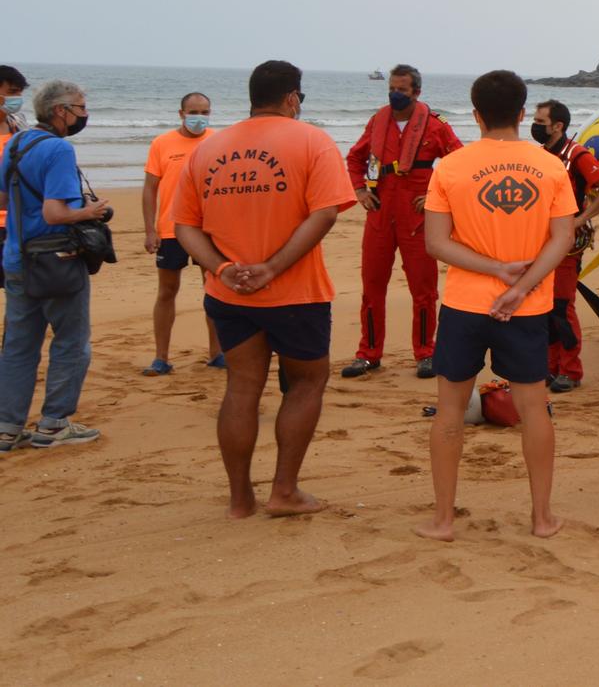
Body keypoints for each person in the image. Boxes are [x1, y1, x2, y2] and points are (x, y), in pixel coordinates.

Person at [174, 60, 356, 516]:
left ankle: (240, 499)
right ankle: (284, 490)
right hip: (296, 293)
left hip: (230, 293)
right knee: (308, 381)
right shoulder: (312, 140)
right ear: (292, 97)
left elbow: (185, 227)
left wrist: (220, 268)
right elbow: (326, 212)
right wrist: (272, 268)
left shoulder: (209, 149)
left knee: (242, 386)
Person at [417, 70, 577, 541]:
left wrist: (494, 270)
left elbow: (436, 243)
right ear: (523, 113)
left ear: (476, 114)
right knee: (535, 410)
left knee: (449, 413)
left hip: (466, 306)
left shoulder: (450, 166)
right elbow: (562, 238)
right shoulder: (550, 166)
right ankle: (542, 518)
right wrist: (520, 282)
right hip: (526, 308)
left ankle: (444, 520)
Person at [0, 80, 111, 452]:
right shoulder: (58, 149)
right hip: (56, 260)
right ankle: (53, 424)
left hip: (17, 258)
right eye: (80, 107)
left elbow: (4, 194)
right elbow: (55, 212)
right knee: (71, 342)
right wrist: (91, 212)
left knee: (18, 345)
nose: (84, 113)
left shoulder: (16, 142)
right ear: (60, 110)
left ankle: (7, 426)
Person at [343, 63, 462, 379]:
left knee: (423, 290)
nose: (395, 94)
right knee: (371, 287)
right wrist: (359, 190)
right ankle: (368, 354)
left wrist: (437, 197)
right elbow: (355, 158)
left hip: (418, 218)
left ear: (417, 92)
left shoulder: (435, 126)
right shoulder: (377, 122)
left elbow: (458, 165)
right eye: (392, 89)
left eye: (402, 90)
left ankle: (426, 354)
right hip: (380, 214)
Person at [530, 99, 599, 392]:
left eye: (540, 122)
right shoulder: (542, 155)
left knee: (560, 305)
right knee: (544, 307)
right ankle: (550, 366)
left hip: (567, 243)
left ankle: (570, 369)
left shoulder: (577, 155)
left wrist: (581, 219)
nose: (535, 126)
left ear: (558, 126)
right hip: (542, 240)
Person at [141, 92, 220, 375]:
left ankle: (217, 353)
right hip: (170, 230)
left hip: (207, 230)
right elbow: (150, 188)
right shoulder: (162, 143)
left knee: (213, 291)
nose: (199, 117)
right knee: (167, 291)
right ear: (181, 113)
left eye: (205, 111)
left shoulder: (217, 141)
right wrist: (150, 229)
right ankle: (161, 357)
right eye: (194, 111)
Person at [0, 65, 27, 259]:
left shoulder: (18, 123)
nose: (16, 98)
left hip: (16, 221)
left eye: (19, 93)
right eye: (11, 92)